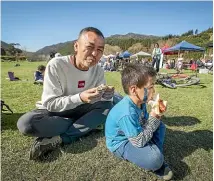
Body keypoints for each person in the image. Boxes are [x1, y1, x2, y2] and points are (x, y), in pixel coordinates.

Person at [17, 27, 115, 160]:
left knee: (108, 106)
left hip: (82, 110)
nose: (94, 54)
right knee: (26, 124)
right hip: (57, 112)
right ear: (76, 46)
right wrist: (80, 97)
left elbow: (100, 101)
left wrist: (106, 95)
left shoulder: (98, 70)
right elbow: (51, 104)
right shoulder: (56, 65)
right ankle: (86, 125)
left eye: (99, 50)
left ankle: (61, 138)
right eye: (90, 47)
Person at [105, 63, 173, 180]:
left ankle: (153, 152)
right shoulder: (127, 112)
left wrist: (156, 115)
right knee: (155, 159)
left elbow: (144, 121)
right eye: (150, 87)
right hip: (122, 142)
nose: (154, 90)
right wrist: (153, 118)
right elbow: (138, 142)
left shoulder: (140, 102)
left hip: (135, 134)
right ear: (134, 90)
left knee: (160, 126)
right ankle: (155, 159)